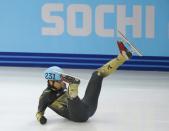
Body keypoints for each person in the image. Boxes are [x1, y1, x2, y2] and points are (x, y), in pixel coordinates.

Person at [36, 41, 134, 124]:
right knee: (72, 93)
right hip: (77, 116)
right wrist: (41, 119)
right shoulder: (46, 96)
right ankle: (73, 90)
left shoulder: (62, 86)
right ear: (50, 82)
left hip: (88, 109)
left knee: (97, 75)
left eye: (62, 80)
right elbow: (39, 113)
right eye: (59, 81)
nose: (62, 83)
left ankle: (122, 57)